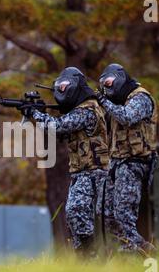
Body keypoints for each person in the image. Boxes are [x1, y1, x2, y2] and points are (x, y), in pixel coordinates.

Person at [20, 67, 109, 256]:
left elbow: (58, 126)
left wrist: (34, 114)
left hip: (93, 171)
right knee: (74, 214)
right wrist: (39, 112)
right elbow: (59, 130)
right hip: (82, 171)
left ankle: (89, 254)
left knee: (77, 210)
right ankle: (84, 256)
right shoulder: (81, 110)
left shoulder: (88, 110)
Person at [97, 63, 158, 254]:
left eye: (109, 84)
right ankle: (125, 251)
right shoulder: (118, 103)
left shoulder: (141, 98)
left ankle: (140, 252)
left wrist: (102, 100)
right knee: (105, 213)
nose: (107, 89)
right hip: (116, 164)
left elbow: (128, 117)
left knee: (124, 214)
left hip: (134, 164)